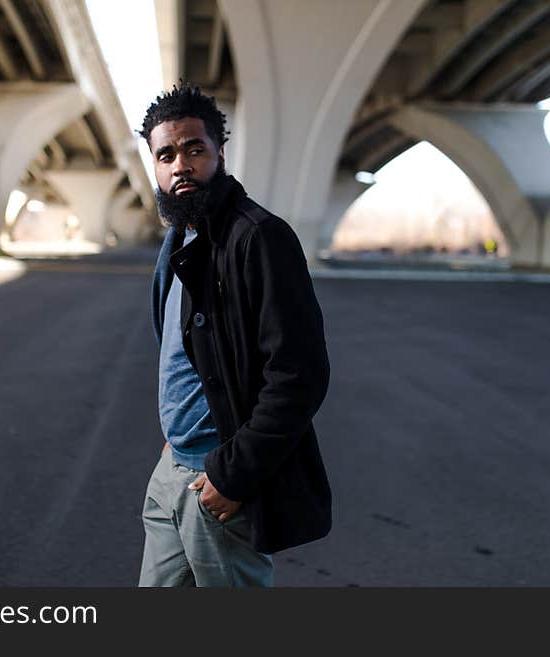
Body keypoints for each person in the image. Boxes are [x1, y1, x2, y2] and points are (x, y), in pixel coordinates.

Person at [137, 81, 331, 587]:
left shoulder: (259, 238)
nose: (181, 164)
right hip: (171, 473)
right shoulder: (180, 238)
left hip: (218, 481)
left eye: (194, 149)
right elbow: (187, 354)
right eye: (166, 155)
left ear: (219, 153)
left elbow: (298, 375)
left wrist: (233, 474)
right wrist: (174, 436)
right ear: (155, 166)